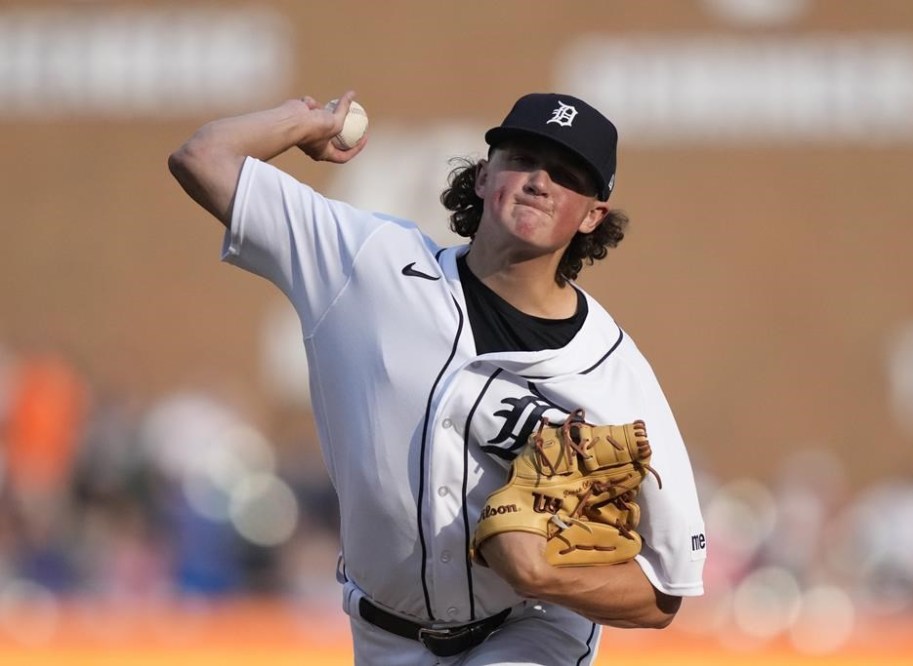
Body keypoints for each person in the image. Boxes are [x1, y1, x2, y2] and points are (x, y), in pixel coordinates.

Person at [169, 89, 706, 665]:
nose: (538, 181)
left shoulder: (614, 375)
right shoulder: (368, 265)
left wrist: (545, 576)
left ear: (593, 216)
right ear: (482, 177)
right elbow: (203, 159)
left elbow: (665, 591)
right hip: (382, 638)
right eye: (521, 159)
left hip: (531, 632)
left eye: (567, 174)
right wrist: (302, 124)